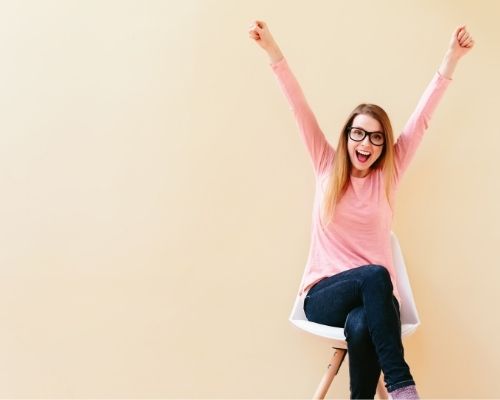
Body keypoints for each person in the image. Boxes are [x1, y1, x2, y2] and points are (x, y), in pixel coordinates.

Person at [248, 19, 474, 400]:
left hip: (374, 300)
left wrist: (451, 58)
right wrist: (272, 50)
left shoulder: (389, 174)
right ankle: (402, 386)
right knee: (373, 276)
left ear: (384, 145)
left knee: (362, 321)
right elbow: (297, 105)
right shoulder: (325, 165)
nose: (365, 143)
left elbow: (422, 119)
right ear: (347, 136)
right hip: (324, 296)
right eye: (358, 133)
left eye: (375, 136)